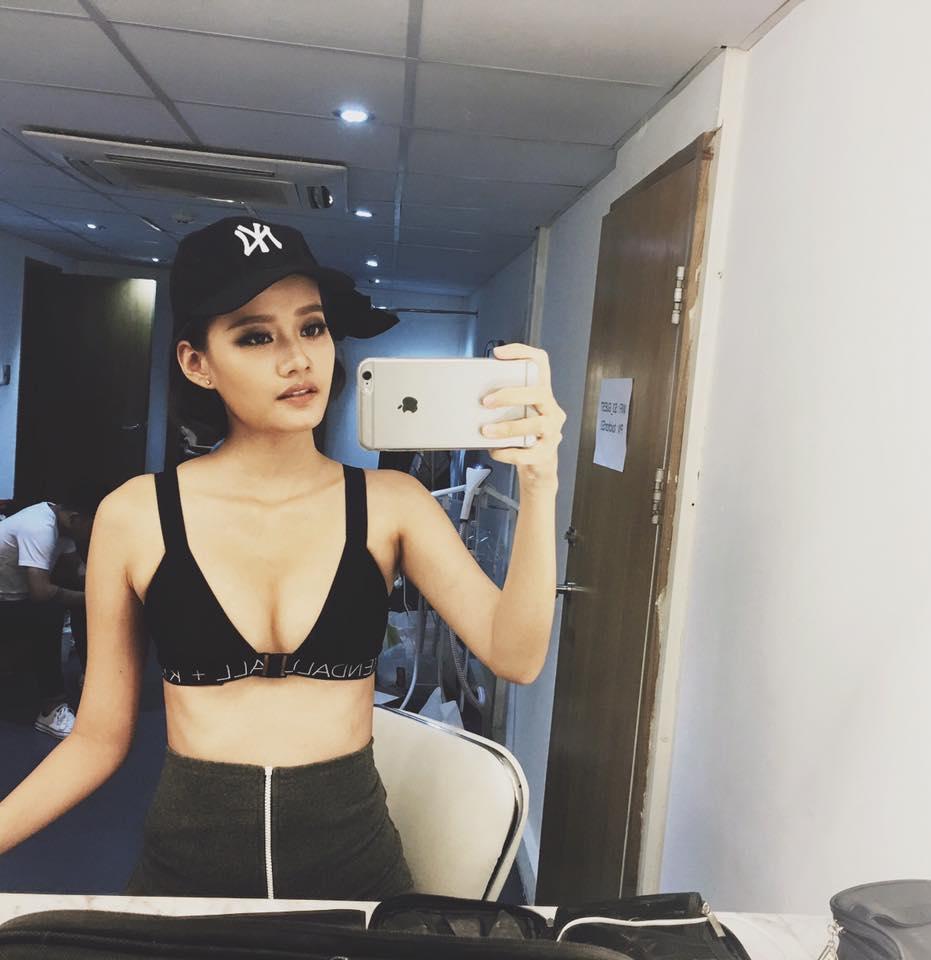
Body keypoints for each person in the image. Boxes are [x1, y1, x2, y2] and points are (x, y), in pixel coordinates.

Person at [0, 215, 566, 900]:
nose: (298, 359)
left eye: (313, 327)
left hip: (356, 875)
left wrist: (540, 485)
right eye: (256, 336)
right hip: (185, 876)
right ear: (197, 363)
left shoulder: (393, 503)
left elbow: (516, 654)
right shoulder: (137, 514)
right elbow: (97, 738)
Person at [0, 486, 97, 738]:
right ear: (75, 518)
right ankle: (51, 708)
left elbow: (78, 571)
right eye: (92, 526)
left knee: (85, 600)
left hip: (13, 599)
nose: (94, 533)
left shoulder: (61, 525)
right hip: (8, 601)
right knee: (49, 611)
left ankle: (92, 677)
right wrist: (91, 598)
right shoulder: (39, 528)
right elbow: (40, 592)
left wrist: (108, 591)